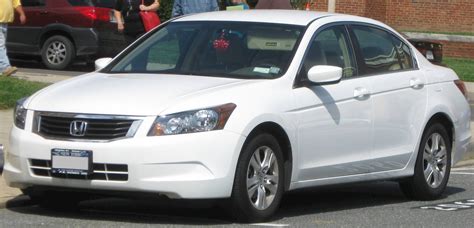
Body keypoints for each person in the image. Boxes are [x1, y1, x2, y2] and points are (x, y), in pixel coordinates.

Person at [0, 0, 26, 76]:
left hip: (5, 22)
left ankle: (2, 70)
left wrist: (22, 14)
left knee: (2, 45)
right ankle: (5, 68)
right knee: (0, 45)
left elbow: (16, 2)